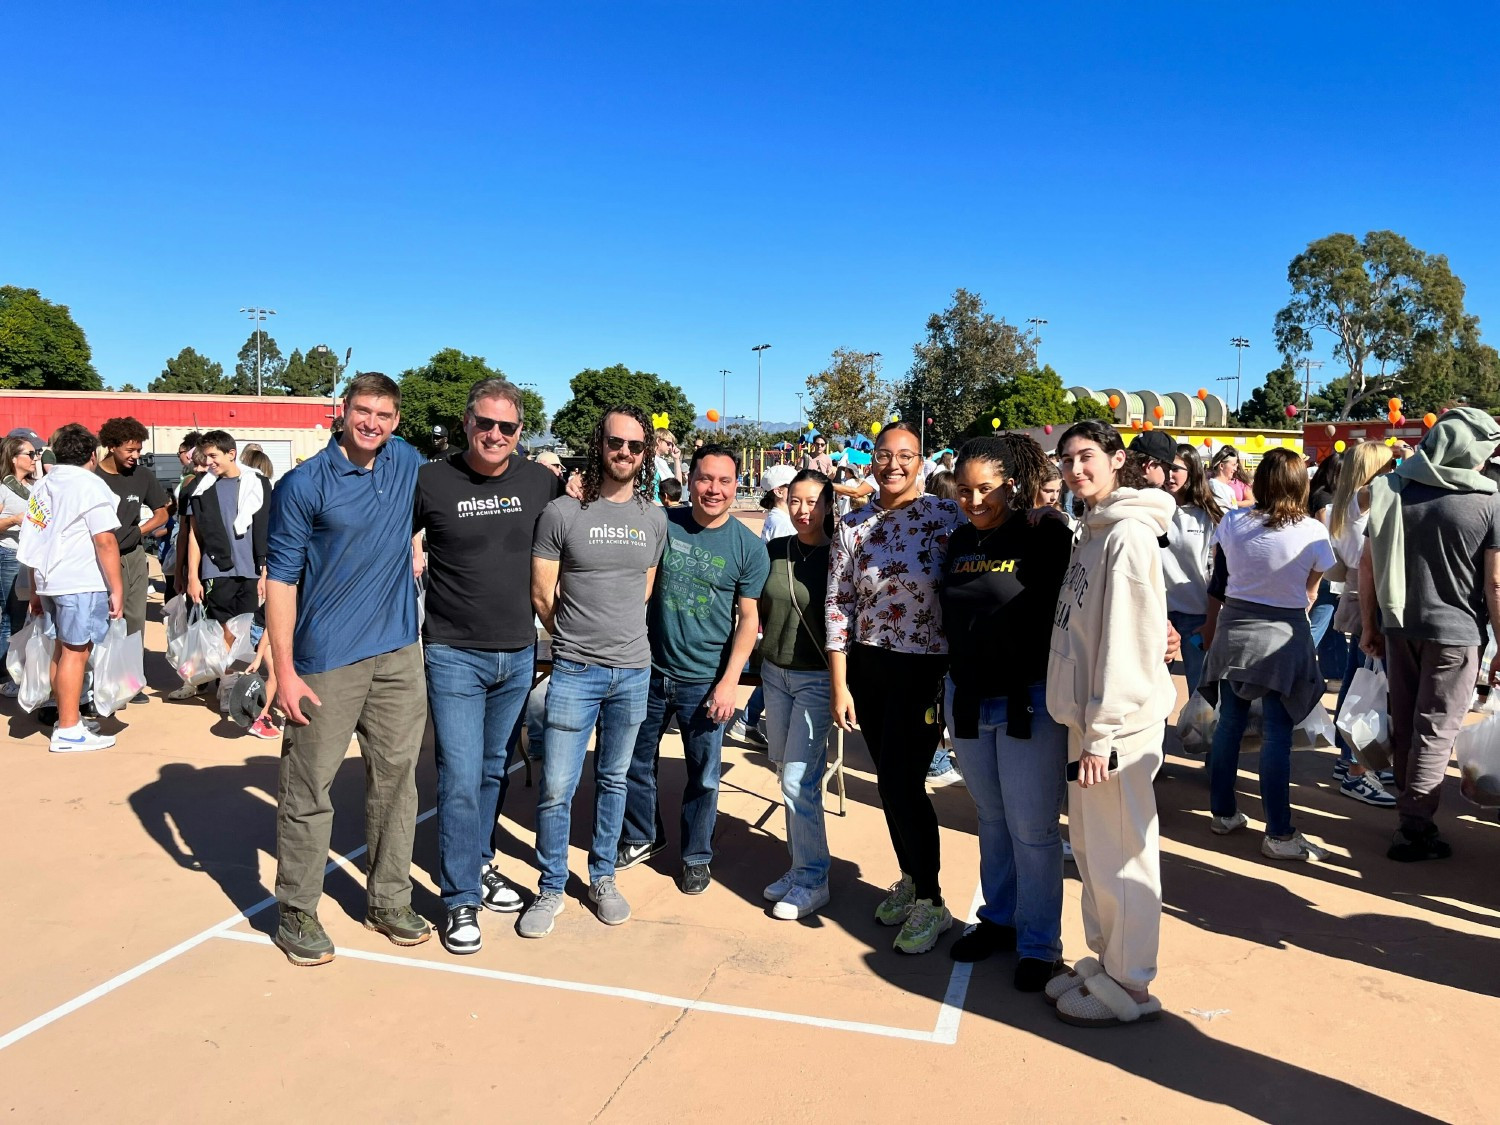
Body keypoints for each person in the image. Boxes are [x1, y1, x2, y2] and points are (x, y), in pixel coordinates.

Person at [266, 373, 431, 966]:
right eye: (364, 411)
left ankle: (388, 899)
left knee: (397, 783)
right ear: (343, 411)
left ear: (396, 421)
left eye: (385, 415)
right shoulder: (302, 485)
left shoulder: (405, 461)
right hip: (325, 661)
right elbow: (280, 582)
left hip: (397, 654)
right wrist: (283, 670)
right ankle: (297, 910)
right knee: (309, 788)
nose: (373, 424)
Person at [412, 379, 564, 953]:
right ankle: (459, 901)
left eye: (507, 427)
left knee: (493, 769)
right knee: (456, 775)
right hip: (453, 653)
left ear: (520, 433)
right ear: (466, 423)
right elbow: (382, 543)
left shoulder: (540, 482)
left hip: (518, 652)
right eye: (485, 424)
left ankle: (478, 863)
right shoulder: (431, 480)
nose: (495, 435)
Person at [1044, 420, 1173, 1027]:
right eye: (1067, 459)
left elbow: (1126, 644)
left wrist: (1103, 733)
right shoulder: (1092, 530)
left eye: (1088, 457)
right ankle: (1107, 960)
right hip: (1088, 720)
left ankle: (1132, 982)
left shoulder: (1126, 537)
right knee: (1096, 852)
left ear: (1118, 460)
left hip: (1114, 728)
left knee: (1122, 852)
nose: (1075, 470)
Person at [524, 406, 667, 937]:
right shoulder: (562, 513)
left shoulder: (653, 519)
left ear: (644, 452)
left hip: (632, 671)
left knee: (613, 780)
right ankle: (550, 886)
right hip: (575, 671)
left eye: (634, 444)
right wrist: (577, 641)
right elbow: (543, 593)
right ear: (599, 445)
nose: (624, 452)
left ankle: (602, 876)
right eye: (615, 442)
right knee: (558, 784)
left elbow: (645, 587)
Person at [939, 434, 1074, 990]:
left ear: (1011, 484)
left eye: (986, 490)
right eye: (965, 490)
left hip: (1029, 700)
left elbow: (1084, 602)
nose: (974, 501)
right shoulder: (958, 539)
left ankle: (1039, 943)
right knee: (991, 821)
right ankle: (997, 919)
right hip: (967, 698)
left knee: (1033, 829)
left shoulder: (1043, 534)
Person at [828, 422, 963, 954]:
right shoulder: (853, 523)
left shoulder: (945, 516)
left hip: (925, 668)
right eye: (884, 454)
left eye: (905, 455)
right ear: (872, 459)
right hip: (869, 667)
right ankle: (910, 878)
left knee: (907, 783)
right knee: (888, 783)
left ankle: (932, 900)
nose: (893, 464)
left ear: (921, 460)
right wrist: (841, 684)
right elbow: (839, 603)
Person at [619, 443, 769, 894]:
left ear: (737, 484)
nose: (714, 489)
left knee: (703, 775)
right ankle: (644, 835)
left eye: (724, 481)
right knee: (632, 761)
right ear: (690, 480)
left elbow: (749, 621)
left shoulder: (747, 547)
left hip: (705, 681)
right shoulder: (663, 524)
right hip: (647, 670)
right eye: (705, 478)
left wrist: (729, 684)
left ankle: (696, 856)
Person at [1361, 408, 1500, 861]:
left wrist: (1369, 623)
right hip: (1457, 632)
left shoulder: (1394, 489)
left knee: (1406, 724)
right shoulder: (1489, 500)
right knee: (1436, 729)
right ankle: (1414, 827)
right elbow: (1494, 582)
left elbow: (1368, 564)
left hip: (1399, 624)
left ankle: (1410, 814)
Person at [1200, 448, 1335, 862]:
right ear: (1301, 484)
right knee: (1277, 733)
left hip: (1234, 632)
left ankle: (1223, 813)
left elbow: (1220, 580)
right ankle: (1278, 833)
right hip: (1283, 637)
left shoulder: (1233, 521)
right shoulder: (1312, 531)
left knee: (1230, 722)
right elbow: (1311, 592)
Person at [16, 424, 124, 753]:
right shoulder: (90, 485)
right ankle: (68, 728)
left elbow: (33, 538)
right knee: (76, 654)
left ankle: (68, 715)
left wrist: (36, 587)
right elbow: (105, 540)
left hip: (50, 579)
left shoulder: (44, 485)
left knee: (61, 652)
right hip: (79, 580)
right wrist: (116, 587)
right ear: (93, 455)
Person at [759, 469, 836, 920]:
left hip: (816, 679)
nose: (803, 510)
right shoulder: (774, 550)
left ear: (827, 505)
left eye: (813, 502)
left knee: (798, 781)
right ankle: (801, 864)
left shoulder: (838, 555)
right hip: (775, 674)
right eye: (796, 501)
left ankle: (814, 878)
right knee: (785, 773)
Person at [1326, 441, 1397, 805]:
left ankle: (1348, 756)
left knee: (1358, 682)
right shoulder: (1358, 500)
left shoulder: (1344, 503)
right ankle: (1356, 765)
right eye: (1386, 465)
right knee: (1370, 688)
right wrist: (1410, 466)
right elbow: (1377, 490)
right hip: (1368, 595)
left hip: (1358, 595)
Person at [95, 417, 169, 702]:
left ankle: (131, 680)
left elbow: (162, 512)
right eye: (130, 450)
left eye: (138, 450)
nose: (136, 456)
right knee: (106, 618)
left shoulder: (143, 476)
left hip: (134, 556)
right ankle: (102, 680)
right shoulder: (94, 478)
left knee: (135, 618)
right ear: (111, 447)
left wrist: (140, 530)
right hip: (100, 557)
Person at [183, 431, 271, 656]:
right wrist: (193, 576)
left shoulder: (258, 483)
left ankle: (237, 678)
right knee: (220, 627)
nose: (209, 462)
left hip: (251, 570)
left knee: (247, 629)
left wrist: (264, 573)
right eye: (205, 456)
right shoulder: (201, 489)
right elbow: (195, 535)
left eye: (213, 456)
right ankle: (225, 679)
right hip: (217, 568)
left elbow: (268, 529)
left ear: (231, 454)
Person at [729, 464, 798, 747]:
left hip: (777, 603)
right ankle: (748, 719)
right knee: (778, 668)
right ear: (781, 491)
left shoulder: (777, 518)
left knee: (777, 669)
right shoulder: (781, 522)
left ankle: (749, 718)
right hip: (781, 605)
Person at [1163, 444, 1222, 699]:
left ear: (1193, 471)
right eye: (1165, 468)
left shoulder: (1210, 516)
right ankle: (1158, 739)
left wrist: (1212, 621)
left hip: (1198, 617)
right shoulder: (1153, 510)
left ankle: (1199, 739)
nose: (1169, 475)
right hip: (1158, 615)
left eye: (1176, 468)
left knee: (1201, 694)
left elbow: (1219, 574)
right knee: (1155, 694)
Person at [0, 434, 40, 693]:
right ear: (14, 459)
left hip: (33, 557)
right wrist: (15, 519)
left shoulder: (38, 485)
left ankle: (20, 670)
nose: (35, 458)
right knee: (11, 615)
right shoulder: (3, 487)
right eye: (30, 454)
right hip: (10, 555)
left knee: (28, 615)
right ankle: (8, 675)